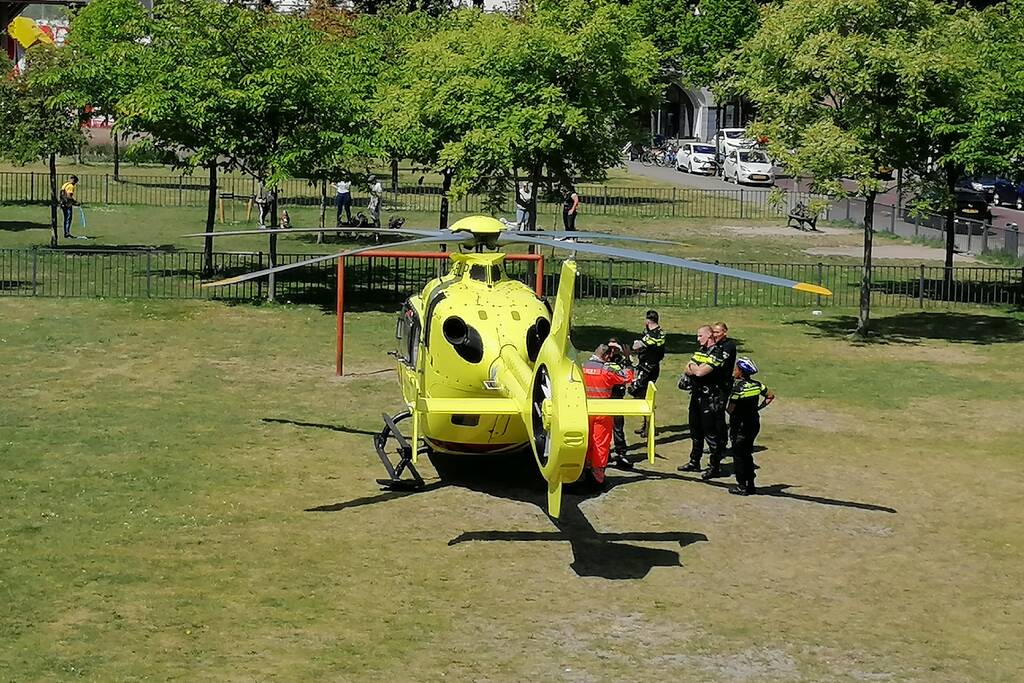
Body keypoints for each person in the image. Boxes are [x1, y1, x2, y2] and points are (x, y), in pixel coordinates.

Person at [677, 325, 729, 479]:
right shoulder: (701, 351)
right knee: (695, 430)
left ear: (709, 336)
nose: (697, 339)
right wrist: (694, 367)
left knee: (711, 434)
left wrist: (694, 368)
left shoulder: (718, 353)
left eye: (700, 336)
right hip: (696, 395)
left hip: (710, 398)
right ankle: (694, 461)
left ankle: (715, 467)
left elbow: (699, 372)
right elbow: (687, 366)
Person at [582, 344, 632, 484]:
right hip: (603, 410)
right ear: (605, 356)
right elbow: (627, 377)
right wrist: (627, 358)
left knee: (587, 441)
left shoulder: (582, 366)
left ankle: (584, 469)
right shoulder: (607, 370)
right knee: (601, 443)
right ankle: (597, 476)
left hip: (585, 410)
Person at [727, 357, 775, 495]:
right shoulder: (757, 385)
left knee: (739, 455)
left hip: (740, 426)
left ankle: (742, 485)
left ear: (741, 372)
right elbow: (770, 395)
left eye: (736, 369)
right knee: (747, 453)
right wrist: (758, 408)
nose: (734, 371)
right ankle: (751, 484)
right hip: (754, 423)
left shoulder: (738, 389)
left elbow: (730, 409)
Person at [631, 309, 666, 439]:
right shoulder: (649, 332)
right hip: (644, 366)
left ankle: (650, 426)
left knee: (644, 394)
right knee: (640, 394)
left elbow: (638, 345)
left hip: (650, 368)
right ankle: (646, 424)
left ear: (648, 320)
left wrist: (638, 344)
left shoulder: (658, 334)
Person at [604, 339, 635, 470]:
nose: (613, 350)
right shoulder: (603, 360)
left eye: (615, 348)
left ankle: (621, 454)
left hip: (617, 398)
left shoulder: (620, 360)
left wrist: (626, 356)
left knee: (618, 428)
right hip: (605, 398)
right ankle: (605, 455)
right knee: (604, 429)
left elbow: (630, 372)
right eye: (610, 348)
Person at [711, 321, 737, 446]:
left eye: (717, 332)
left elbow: (719, 361)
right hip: (714, 384)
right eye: (713, 332)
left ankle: (722, 442)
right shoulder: (714, 345)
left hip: (723, 384)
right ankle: (716, 440)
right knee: (713, 413)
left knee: (719, 413)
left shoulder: (729, 345)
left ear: (724, 332)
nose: (714, 335)